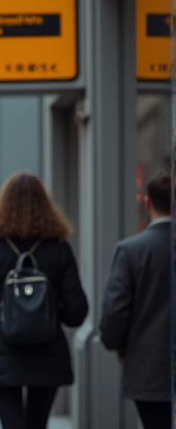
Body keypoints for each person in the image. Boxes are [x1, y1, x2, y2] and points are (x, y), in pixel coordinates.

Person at [0, 172, 89, 429]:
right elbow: (76, 312)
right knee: (37, 424)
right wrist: (46, 312)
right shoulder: (58, 247)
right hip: (48, 350)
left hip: (3, 350)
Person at [99, 172, 171, 429]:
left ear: (148, 203)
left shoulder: (131, 250)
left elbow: (115, 310)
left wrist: (117, 344)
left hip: (147, 364)